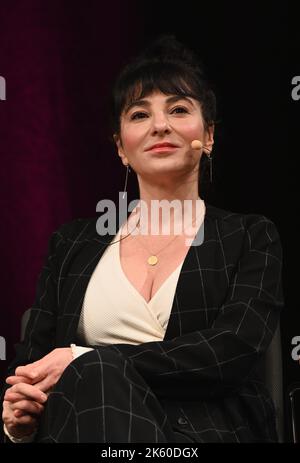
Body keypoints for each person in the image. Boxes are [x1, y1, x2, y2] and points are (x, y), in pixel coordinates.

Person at [1, 35, 284, 443]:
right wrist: (17, 418)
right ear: (121, 148)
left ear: (208, 136)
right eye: (139, 114)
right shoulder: (72, 243)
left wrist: (86, 358)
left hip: (206, 433)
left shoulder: (250, 236)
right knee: (96, 381)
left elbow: (231, 353)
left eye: (179, 109)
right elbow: (32, 366)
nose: (160, 125)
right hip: (83, 426)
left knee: (96, 371)